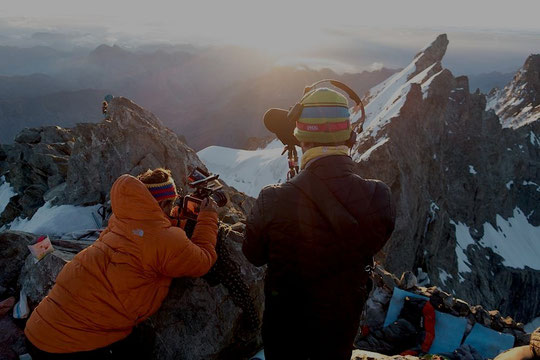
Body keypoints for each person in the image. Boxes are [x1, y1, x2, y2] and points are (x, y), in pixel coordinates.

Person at [243, 87, 396, 360]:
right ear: (350, 138)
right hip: (339, 331)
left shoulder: (273, 199)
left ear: (301, 141)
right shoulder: (379, 198)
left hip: (284, 333)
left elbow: (253, 255)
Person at [25, 168, 218, 359]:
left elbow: (148, 230)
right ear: (164, 203)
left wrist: (172, 219)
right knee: (142, 343)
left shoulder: (119, 220)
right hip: (66, 349)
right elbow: (203, 259)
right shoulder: (165, 241)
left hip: (36, 331)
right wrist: (208, 217)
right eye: (172, 203)